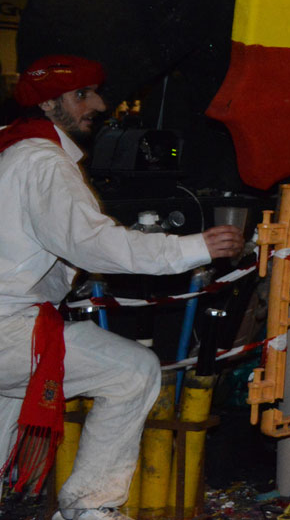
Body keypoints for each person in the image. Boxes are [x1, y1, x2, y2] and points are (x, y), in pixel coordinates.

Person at [0, 55, 244, 520]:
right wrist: (195, 246)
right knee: (132, 370)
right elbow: (91, 244)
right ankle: (89, 507)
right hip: (10, 326)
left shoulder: (11, 149)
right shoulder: (43, 162)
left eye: (95, 92)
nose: (98, 104)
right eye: (82, 95)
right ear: (49, 104)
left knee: (13, 392)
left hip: (14, 322)